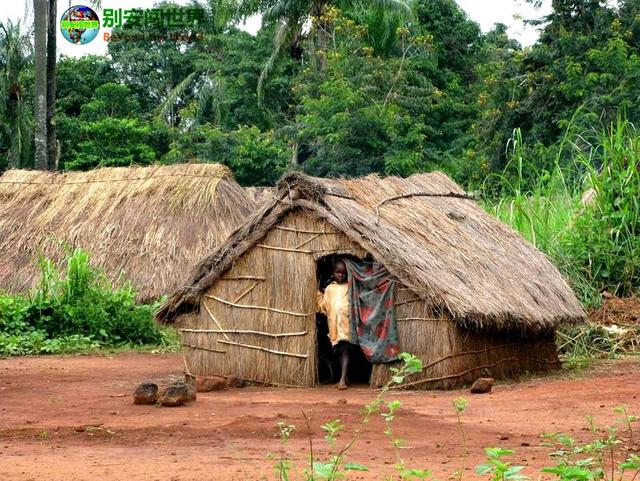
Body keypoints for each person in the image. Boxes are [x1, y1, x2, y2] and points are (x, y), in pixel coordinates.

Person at [317, 259, 352, 390]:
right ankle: (346, 376)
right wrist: (317, 294)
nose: (341, 275)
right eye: (338, 272)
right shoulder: (329, 289)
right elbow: (324, 306)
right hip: (333, 325)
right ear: (333, 272)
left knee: (345, 350)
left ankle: (342, 379)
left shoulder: (350, 287)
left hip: (346, 324)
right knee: (338, 351)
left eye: (343, 273)